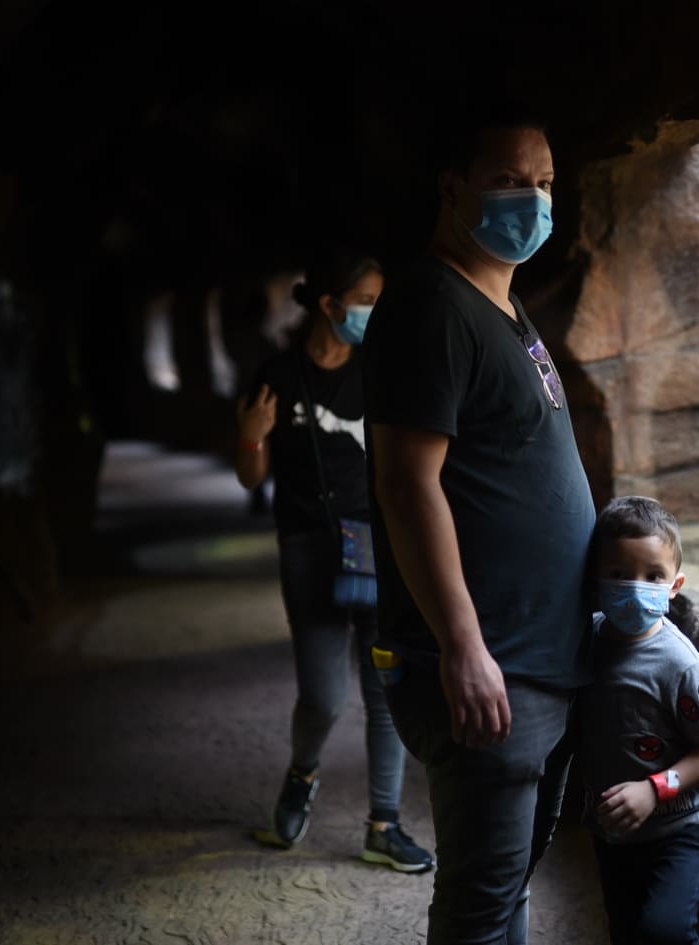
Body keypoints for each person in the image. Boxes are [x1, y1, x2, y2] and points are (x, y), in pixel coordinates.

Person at [362, 107, 596, 943]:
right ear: (453, 187)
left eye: (544, 183)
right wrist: (463, 645)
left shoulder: (500, 303)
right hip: (491, 663)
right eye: (507, 181)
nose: (531, 201)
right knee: (480, 905)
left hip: (539, 658)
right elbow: (405, 483)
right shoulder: (431, 307)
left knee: (508, 891)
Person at [234, 246, 434, 873]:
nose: (375, 313)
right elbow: (249, 477)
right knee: (322, 696)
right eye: (367, 301)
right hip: (308, 550)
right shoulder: (277, 374)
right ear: (329, 305)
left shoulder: (380, 371)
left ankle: (384, 824)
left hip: (378, 545)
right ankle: (302, 773)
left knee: (384, 692)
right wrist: (252, 431)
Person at [576, 496, 699, 945]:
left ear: (675, 585)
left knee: (664, 932)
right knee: (626, 933)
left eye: (652, 577)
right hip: (613, 830)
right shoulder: (586, 639)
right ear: (595, 576)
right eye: (620, 574)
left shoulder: (680, 663)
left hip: (679, 828)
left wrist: (653, 789)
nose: (633, 587)